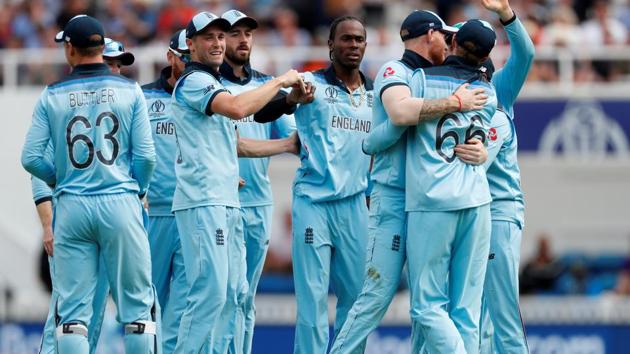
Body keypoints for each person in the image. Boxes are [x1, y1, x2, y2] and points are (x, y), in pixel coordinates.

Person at [330, 10, 489, 354]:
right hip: (395, 199)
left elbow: (474, 130)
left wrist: (481, 151)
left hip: (430, 201)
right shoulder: (396, 71)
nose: (449, 44)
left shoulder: (434, 77)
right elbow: (400, 115)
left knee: (428, 302)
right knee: (377, 295)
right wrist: (452, 103)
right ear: (429, 34)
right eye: (445, 37)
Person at [21, 14, 159, 354]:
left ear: (70, 48)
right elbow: (146, 158)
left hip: (72, 207)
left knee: (71, 315)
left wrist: (63, 180)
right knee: (138, 310)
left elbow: (30, 157)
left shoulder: (52, 95)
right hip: (120, 201)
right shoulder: (129, 90)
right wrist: (137, 189)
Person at [170, 11, 304, 354]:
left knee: (232, 294)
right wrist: (279, 82)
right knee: (210, 294)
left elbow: (235, 144)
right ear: (191, 44)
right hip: (204, 200)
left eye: (219, 37)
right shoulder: (195, 80)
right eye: (209, 38)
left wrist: (289, 139)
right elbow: (237, 108)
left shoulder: (211, 82)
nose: (217, 43)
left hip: (225, 199)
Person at [218, 9, 313, 354]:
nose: (243, 40)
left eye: (247, 33)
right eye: (234, 33)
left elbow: (293, 138)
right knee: (224, 294)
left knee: (245, 297)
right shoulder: (212, 87)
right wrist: (287, 143)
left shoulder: (264, 83)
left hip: (257, 203)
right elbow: (231, 144)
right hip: (219, 203)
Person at [403, 19, 498, 354]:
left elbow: (399, 119)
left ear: (453, 41)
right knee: (466, 310)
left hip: (433, 200)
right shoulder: (489, 90)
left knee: (426, 305)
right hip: (477, 200)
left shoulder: (421, 78)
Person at [289, 15, 373, 354]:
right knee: (312, 299)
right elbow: (269, 112)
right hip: (314, 202)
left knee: (357, 300)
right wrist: (292, 99)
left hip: (355, 205)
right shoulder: (310, 84)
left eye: (359, 40)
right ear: (330, 44)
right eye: (346, 39)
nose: (353, 45)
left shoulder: (375, 95)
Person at [475, 0, 535, 352]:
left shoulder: (498, 89)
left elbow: (525, 55)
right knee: (475, 312)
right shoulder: (451, 91)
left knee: (503, 309)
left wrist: (507, 14)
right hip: (467, 210)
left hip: (499, 209)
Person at [141, 29, 188, 354]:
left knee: (185, 306)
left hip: (191, 211)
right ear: (170, 56)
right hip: (153, 213)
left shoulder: (209, 95)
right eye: (184, 57)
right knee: (148, 300)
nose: (189, 64)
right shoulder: (141, 97)